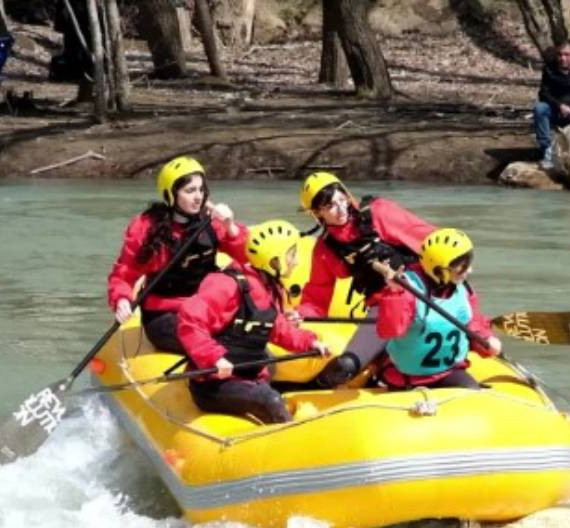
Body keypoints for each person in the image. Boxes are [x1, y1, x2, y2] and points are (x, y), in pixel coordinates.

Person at [176, 220, 330, 424]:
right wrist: (213, 358)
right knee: (272, 400)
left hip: (247, 375)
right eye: (291, 254)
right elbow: (189, 319)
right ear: (275, 260)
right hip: (212, 384)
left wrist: (310, 342)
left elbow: (277, 327)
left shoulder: (269, 288)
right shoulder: (226, 284)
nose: (295, 261)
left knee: (271, 371)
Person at [296, 171, 435, 387]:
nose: (341, 209)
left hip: (422, 296)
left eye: (342, 199)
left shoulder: (379, 212)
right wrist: (300, 316)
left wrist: (453, 265)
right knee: (345, 366)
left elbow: (427, 237)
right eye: (330, 206)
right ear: (317, 213)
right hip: (385, 310)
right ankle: (308, 392)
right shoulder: (326, 250)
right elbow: (316, 296)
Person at [107, 156, 248, 355]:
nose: (198, 197)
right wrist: (121, 299)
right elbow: (123, 274)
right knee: (219, 346)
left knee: (246, 341)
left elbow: (246, 256)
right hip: (165, 314)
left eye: (201, 190)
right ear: (171, 194)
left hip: (206, 309)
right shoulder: (147, 228)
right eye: (190, 191)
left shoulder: (212, 222)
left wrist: (230, 226)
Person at [372, 228, 502, 390]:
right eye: (462, 267)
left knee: (474, 396)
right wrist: (395, 292)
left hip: (449, 373)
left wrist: (486, 338)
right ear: (440, 270)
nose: (469, 271)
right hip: (406, 376)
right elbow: (389, 331)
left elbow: (472, 321)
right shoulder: (406, 290)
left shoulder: (463, 289)